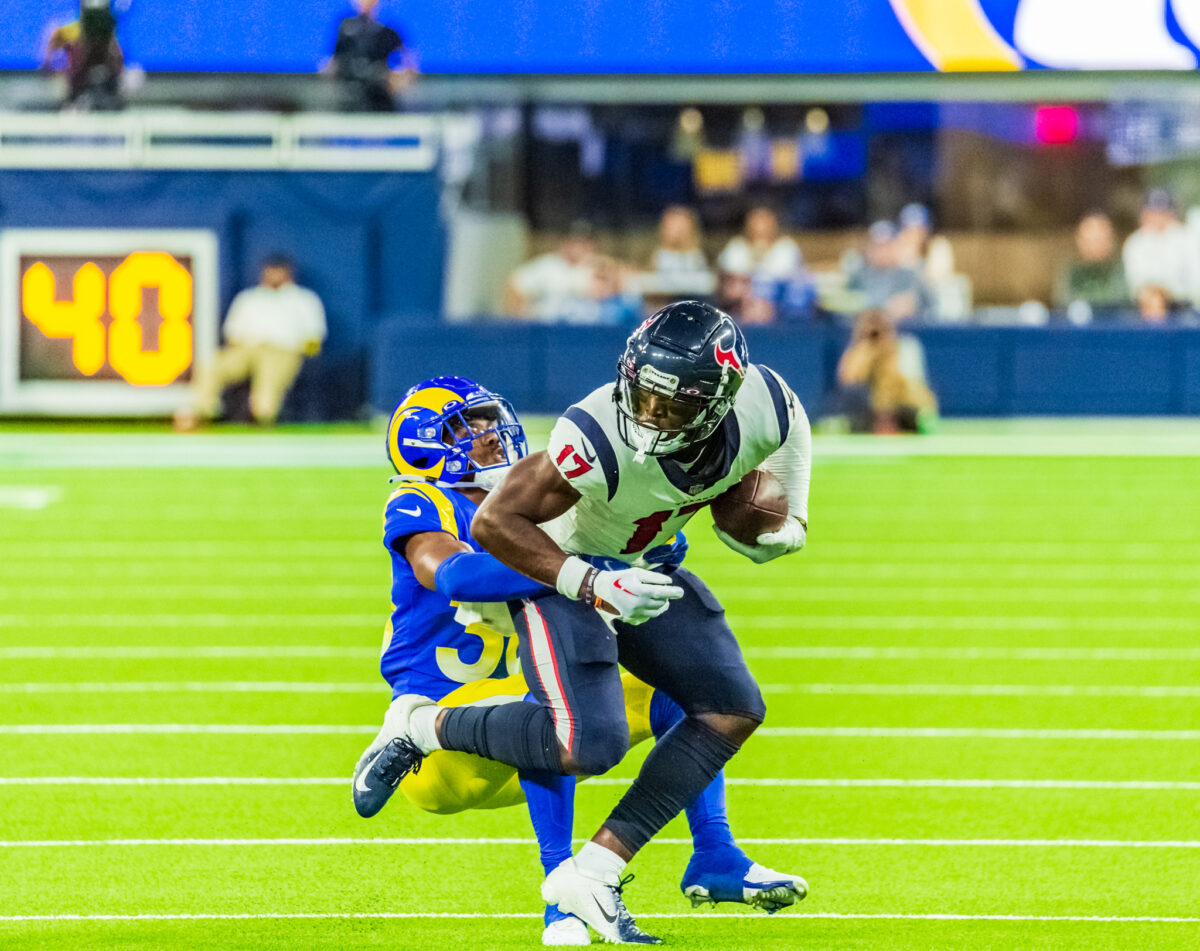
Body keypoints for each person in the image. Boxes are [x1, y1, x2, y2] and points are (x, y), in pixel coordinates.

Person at [352, 301, 812, 943]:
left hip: (511, 706)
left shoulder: (547, 504)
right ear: (423, 445)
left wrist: (622, 559)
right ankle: (557, 895)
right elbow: (456, 576)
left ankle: (714, 854)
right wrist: (595, 570)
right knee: (562, 714)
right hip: (445, 744)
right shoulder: (422, 499)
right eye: (467, 428)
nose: (488, 435)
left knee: (683, 695)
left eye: (489, 421)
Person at [174, 255, 326, 431]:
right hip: (247, 348)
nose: (274, 275)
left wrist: (301, 355)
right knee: (212, 365)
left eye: (279, 271)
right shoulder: (249, 298)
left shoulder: (304, 300)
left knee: (266, 391)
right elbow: (232, 333)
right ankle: (199, 412)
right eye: (271, 271)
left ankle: (262, 417)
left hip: (283, 351)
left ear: (288, 272)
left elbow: (314, 337)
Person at [835, 309, 937, 434]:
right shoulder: (859, 351)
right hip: (867, 410)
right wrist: (868, 351)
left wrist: (888, 354)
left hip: (902, 406)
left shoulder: (905, 346)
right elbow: (848, 379)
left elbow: (912, 385)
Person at [329, 0, 416, 112]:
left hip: (381, 97)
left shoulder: (388, 32)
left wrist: (397, 79)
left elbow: (410, 64)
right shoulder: (345, 30)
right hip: (350, 97)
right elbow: (333, 62)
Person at [503, 222, 599, 323]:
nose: (577, 247)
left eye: (583, 243)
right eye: (573, 242)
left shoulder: (600, 266)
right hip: (548, 328)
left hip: (590, 329)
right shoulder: (548, 265)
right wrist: (521, 316)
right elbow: (516, 284)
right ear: (564, 242)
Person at [842, 220, 930, 323]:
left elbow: (930, 310)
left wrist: (914, 305)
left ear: (896, 246)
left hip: (904, 332)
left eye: (887, 246)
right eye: (878, 246)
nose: (883, 252)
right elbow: (845, 311)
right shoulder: (858, 277)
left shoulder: (909, 275)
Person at [43, 0, 124, 111]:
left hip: (108, 90)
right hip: (77, 90)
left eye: (100, 17)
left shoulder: (111, 39)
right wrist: (51, 67)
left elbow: (118, 63)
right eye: (91, 18)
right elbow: (52, 43)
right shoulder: (72, 31)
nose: (96, 24)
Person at [1122, 188, 1192, 307]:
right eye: (1153, 211)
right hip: (1147, 308)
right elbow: (1137, 284)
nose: (1157, 217)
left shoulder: (1186, 238)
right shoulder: (1136, 243)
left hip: (1185, 307)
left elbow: (1193, 282)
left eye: (1163, 212)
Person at [1055, 211, 1128, 323]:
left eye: (1100, 239)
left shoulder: (1119, 269)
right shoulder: (1071, 271)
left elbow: (1120, 300)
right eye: (1090, 239)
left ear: (1111, 241)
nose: (1095, 245)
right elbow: (1062, 301)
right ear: (1079, 241)